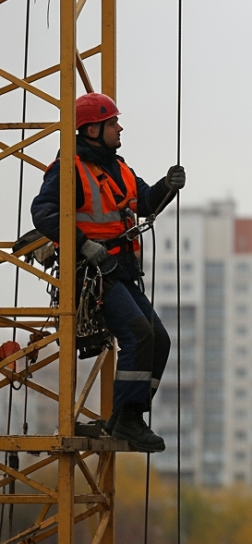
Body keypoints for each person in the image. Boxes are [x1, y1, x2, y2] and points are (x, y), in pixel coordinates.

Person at [30, 93, 185, 452]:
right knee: (138, 334)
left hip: (121, 271)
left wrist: (167, 186)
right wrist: (83, 245)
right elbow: (44, 213)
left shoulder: (120, 168)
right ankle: (128, 419)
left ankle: (126, 416)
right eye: (113, 122)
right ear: (93, 129)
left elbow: (145, 202)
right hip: (94, 274)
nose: (120, 128)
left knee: (158, 339)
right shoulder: (69, 169)